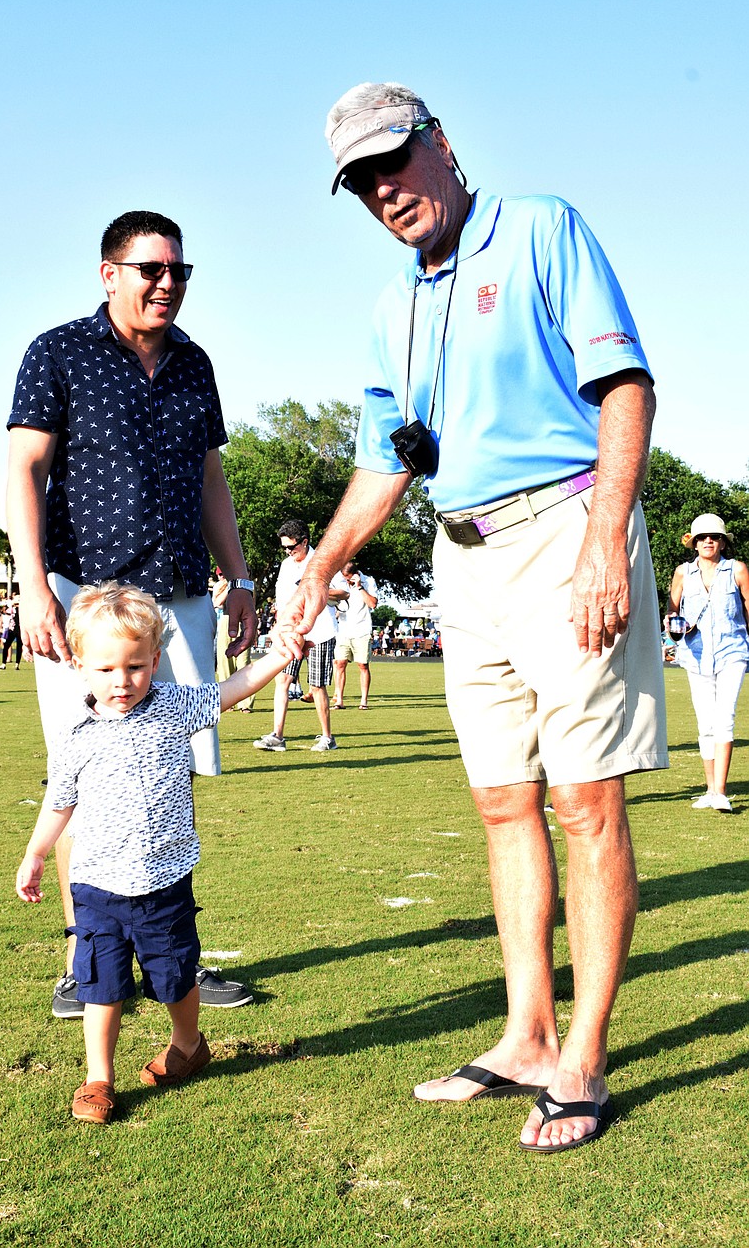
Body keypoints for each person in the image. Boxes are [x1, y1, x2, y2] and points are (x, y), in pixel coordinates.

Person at [278, 81, 668, 1154]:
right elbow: (384, 462)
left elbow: (625, 387)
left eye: (392, 162)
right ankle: (526, 1037)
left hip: (565, 529)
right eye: (360, 182)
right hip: (463, 558)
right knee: (503, 802)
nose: (383, 191)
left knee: (585, 802)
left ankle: (582, 1057)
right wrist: (323, 564)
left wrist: (605, 542)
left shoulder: (540, 228)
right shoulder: (391, 308)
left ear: (440, 142)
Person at [6, 209, 257, 1018]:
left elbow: (211, 477)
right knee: (86, 776)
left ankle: (173, 959)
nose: (167, 283)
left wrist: (240, 576)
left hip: (179, 597)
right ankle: (84, 964)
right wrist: (32, 583)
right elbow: (24, 468)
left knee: (166, 774)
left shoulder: (194, 363)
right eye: (152, 269)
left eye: (179, 270)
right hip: (85, 598)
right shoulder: (58, 351)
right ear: (109, 273)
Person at [15, 582, 292, 1124]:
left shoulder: (173, 706)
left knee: (175, 976)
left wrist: (278, 657)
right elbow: (59, 802)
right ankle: (99, 1078)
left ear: (155, 661)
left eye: (136, 666)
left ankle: (188, 1044)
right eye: (106, 669)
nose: (122, 681)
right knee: (101, 984)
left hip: (164, 881)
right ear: (79, 666)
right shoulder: (74, 734)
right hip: (96, 886)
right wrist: (36, 853)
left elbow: (230, 690)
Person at [666, 513, 749, 811]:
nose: (708, 541)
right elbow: (672, 609)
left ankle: (721, 792)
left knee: (725, 718)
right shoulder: (682, 573)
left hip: (732, 652)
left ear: (723, 543)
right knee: (705, 723)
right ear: (695, 543)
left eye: (714, 537)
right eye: (702, 537)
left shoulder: (737, 570)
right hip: (695, 654)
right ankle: (710, 789)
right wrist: (673, 627)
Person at [253, 520, 340, 753]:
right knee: (282, 680)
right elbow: (282, 600)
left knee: (317, 685)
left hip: (320, 631)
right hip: (291, 633)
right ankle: (277, 736)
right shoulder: (285, 565)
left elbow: (344, 592)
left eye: (291, 547)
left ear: (304, 542)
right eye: (284, 548)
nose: (288, 552)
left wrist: (317, 588)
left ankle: (327, 738)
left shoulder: (323, 562)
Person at [331, 561, 379, 709]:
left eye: (349, 578)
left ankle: (363, 701)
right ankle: (339, 700)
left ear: (356, 574)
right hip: (343, 630)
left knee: (363, 665)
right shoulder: (338, 581)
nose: (347, 581)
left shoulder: (369, 581)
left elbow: (373, 604)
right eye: (345, 578)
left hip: (362, 630)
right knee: (340, 663)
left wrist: (359, 587)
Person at [212, 569, 254, 713]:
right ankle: (227, 701)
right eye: (220, 574)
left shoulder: (248, 585)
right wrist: (231, 586)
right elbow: (217, 602)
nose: (222, 576)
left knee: (243, 663)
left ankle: (246, 704)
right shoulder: (219, 586)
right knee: (225, 663)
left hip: (243, 622)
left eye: (223, 573)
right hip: (225, 621)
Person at [0, 601, 23, 670]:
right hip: (18, 630)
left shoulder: (13, 609)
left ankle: (4, 664)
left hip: (13, 629)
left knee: (7, 646)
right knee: (18, 647)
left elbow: (6, 612)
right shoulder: (22, 610)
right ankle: (17, 664)